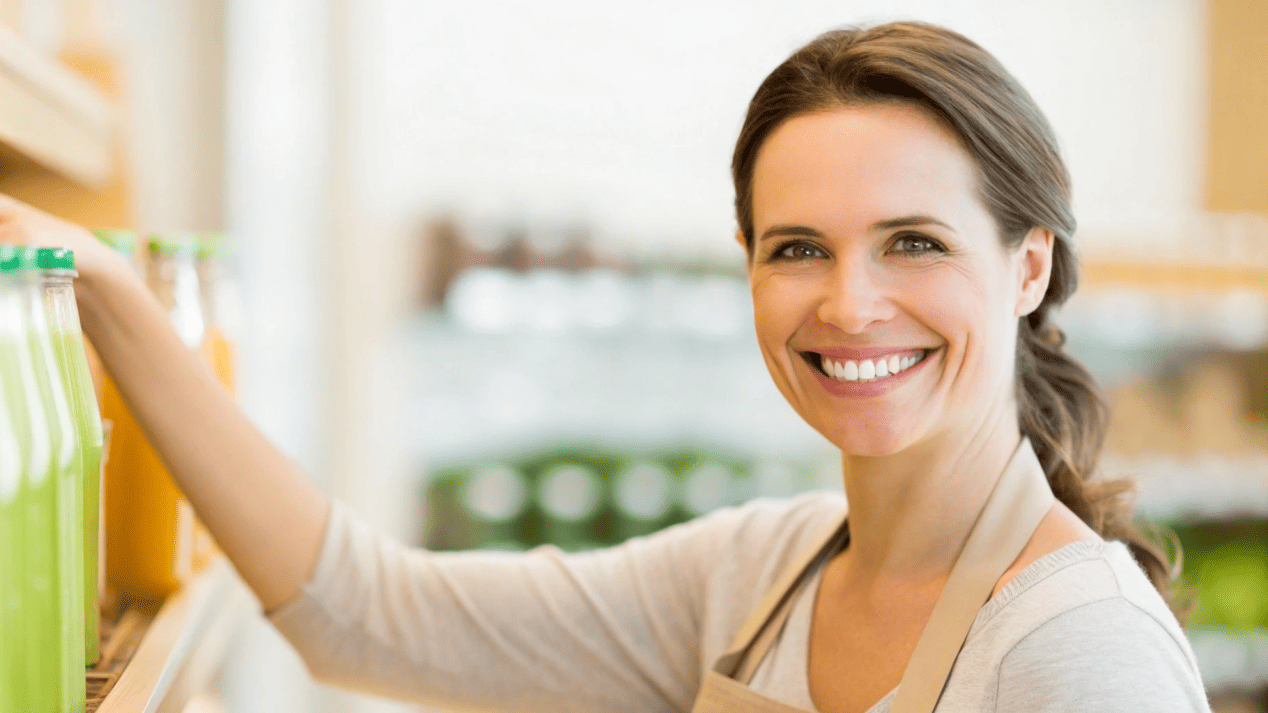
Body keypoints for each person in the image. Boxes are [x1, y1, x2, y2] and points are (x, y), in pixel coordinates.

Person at [0, 20, 1210, 713]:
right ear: (746, 265)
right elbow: (363, 612)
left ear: (1027, 266)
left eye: (913, 242)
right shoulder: (757, 574)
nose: (848, 301)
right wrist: (102, 288)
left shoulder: (1075, 654)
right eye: (797, 247)